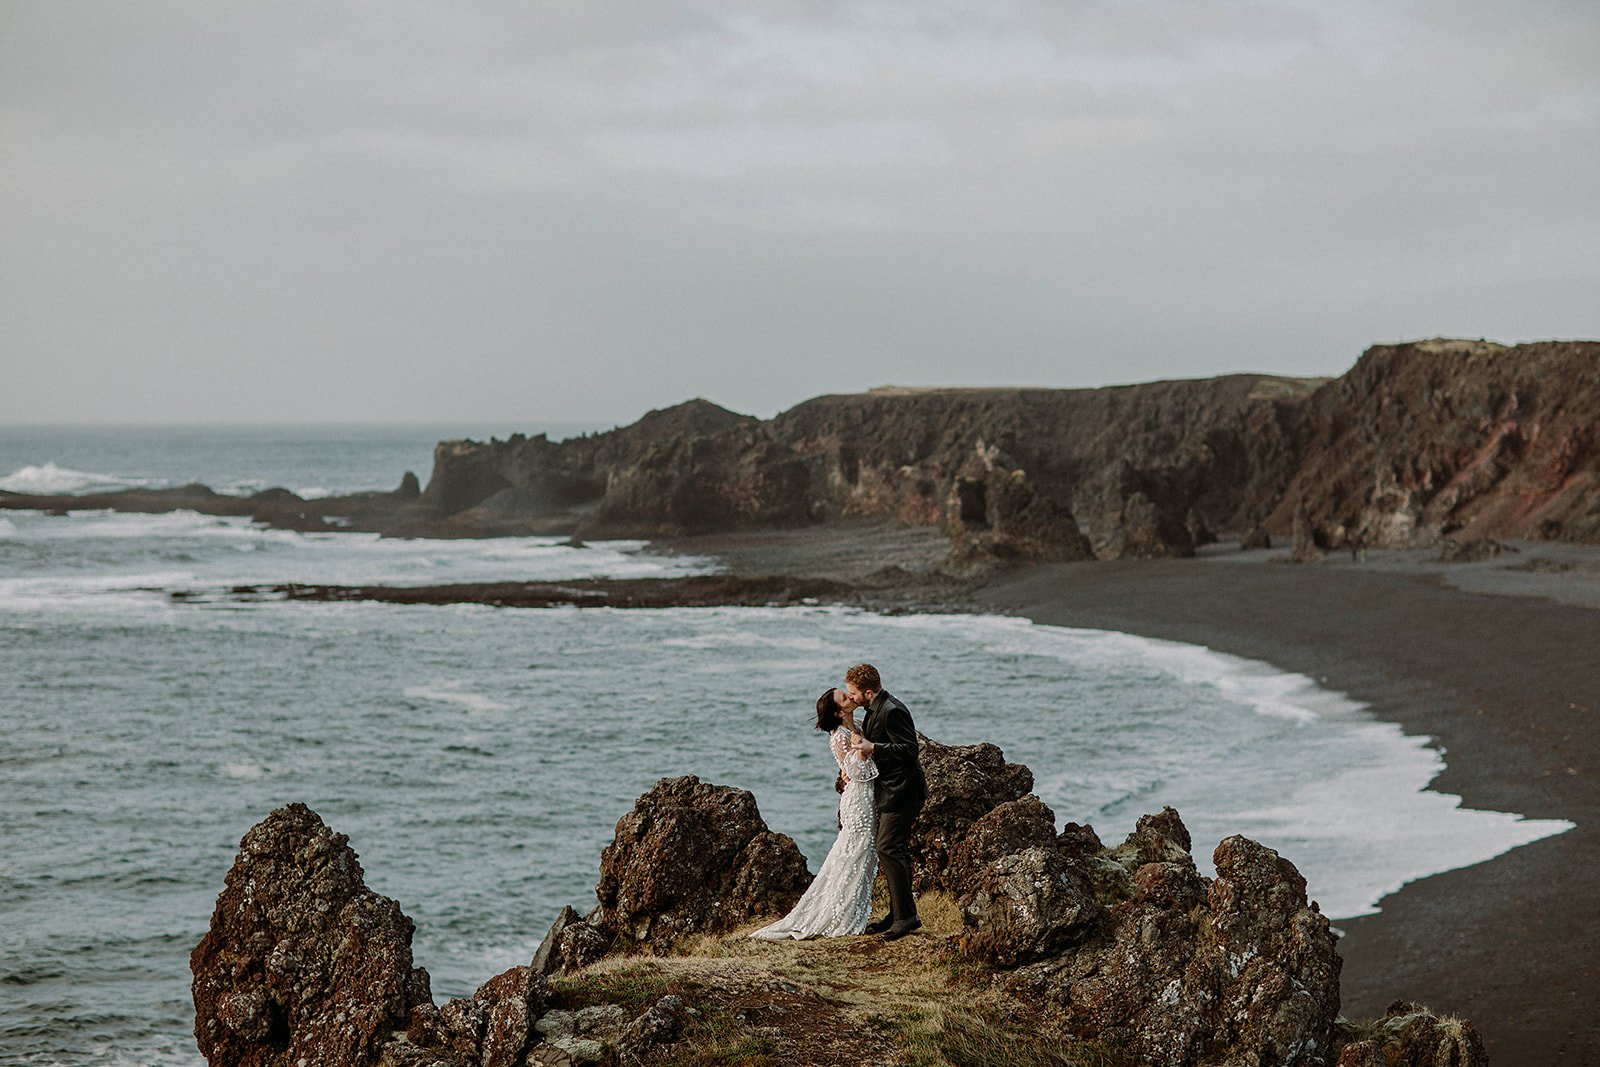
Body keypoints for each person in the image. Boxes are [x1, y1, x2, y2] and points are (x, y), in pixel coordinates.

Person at [749, 687, 880, 940]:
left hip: (868, 797)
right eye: (845, 697)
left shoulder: (859, 725)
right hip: (858, 800)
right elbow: (857, 773)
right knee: (853, 853)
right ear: (838, 711)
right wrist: (864, 752)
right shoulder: (840, 737)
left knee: (863, 854)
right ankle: (840, 915)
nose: (851, 697)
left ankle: (852, 910)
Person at [845, 662, 926, 941]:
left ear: (868, 692)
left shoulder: (892, 711)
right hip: (892, 789)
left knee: (888, 847)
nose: (850, 698)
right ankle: (898, 913)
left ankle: (906, 918)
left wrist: (874, 748)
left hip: (903, 791)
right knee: (894, 849)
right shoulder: (875, 708)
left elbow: (910, 749)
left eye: (853, 693)